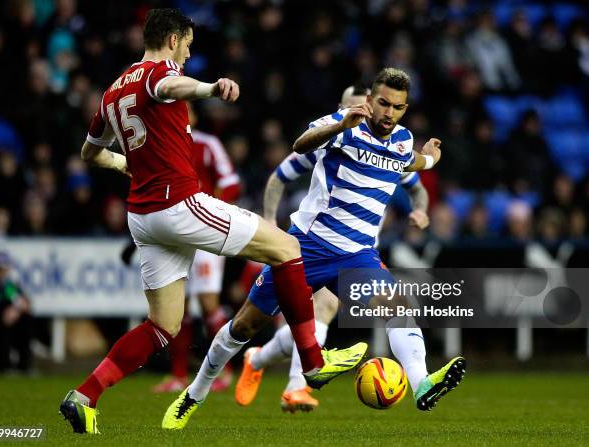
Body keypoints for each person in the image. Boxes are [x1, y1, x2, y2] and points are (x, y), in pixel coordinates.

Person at [59, 8, 367, 435]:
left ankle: (85, 395)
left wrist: (122, 163)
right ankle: (313, 362)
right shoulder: (159, 71)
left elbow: (89, 153)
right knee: (287, 248)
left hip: (143, 216)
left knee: (163, 326)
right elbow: (169, 83)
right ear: (173, 40)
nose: (187, 54)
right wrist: (208, 87)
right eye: (186, 45)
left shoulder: (112, 91)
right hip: (179, 204)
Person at [170, 68, 465, 430]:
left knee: (398, 307)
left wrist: (431, 157)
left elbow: (413, 163)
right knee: (244, 325)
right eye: (384, 103)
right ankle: (195, 392)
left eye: (398, 107)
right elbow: (301, 144)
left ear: (405, 109)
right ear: (370, 100)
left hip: (357, 255)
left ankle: (422, 384)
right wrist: (338, 128)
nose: (389, 113)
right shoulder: (345, 123)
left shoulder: (402, 140)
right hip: (306, 248)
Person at [242, 84, 430, 413]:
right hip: (317, 242)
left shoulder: (391, 148)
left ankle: (263, 363)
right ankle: (291, 383)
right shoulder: (326, 142)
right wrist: (271, 222)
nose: (367, 114)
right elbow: (278, 177)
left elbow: (418, 186)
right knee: (311, 316)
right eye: (355, 108)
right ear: (341, 108)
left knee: (321, 316)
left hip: (359, 251)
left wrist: (421, 210)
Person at [152, 102, 240, 393]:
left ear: (195, 115)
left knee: (208, 304)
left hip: (205, 231)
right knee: (178, 309)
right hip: (176, 235)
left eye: (186, 107)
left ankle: (224, 371)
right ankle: (179, 376)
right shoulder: (164, 144)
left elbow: (230, 182)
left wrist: (213, 212)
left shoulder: (207, 144)